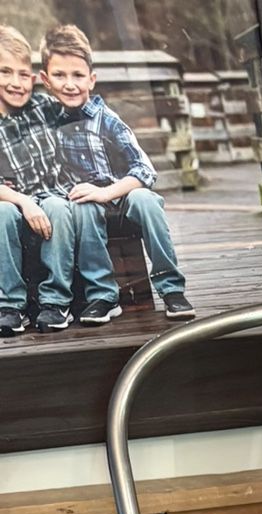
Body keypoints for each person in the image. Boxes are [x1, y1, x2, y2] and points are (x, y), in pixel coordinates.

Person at [40, 22, 194, 320]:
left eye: (78, 75)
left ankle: (172, 288)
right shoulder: (47, 120)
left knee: (146, 201)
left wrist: (105, 192)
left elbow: (145, 170)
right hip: (83, 206)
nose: (69, 84)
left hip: (119, 196)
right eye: (59, 75)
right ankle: (104, 296)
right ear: (46, 80)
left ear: (92, 80)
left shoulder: (106, 119)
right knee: (83, 206)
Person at [0, 22, 108, 333]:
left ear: (35, 79)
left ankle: (55, 302)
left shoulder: (44, 107)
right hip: (11, 200)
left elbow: (81, 104)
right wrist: (22, 201)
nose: (16, 82)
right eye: (5, 72)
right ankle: (10, 305)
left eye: (23, 74)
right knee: (3, 213)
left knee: (60, 208)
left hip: (51, 195)